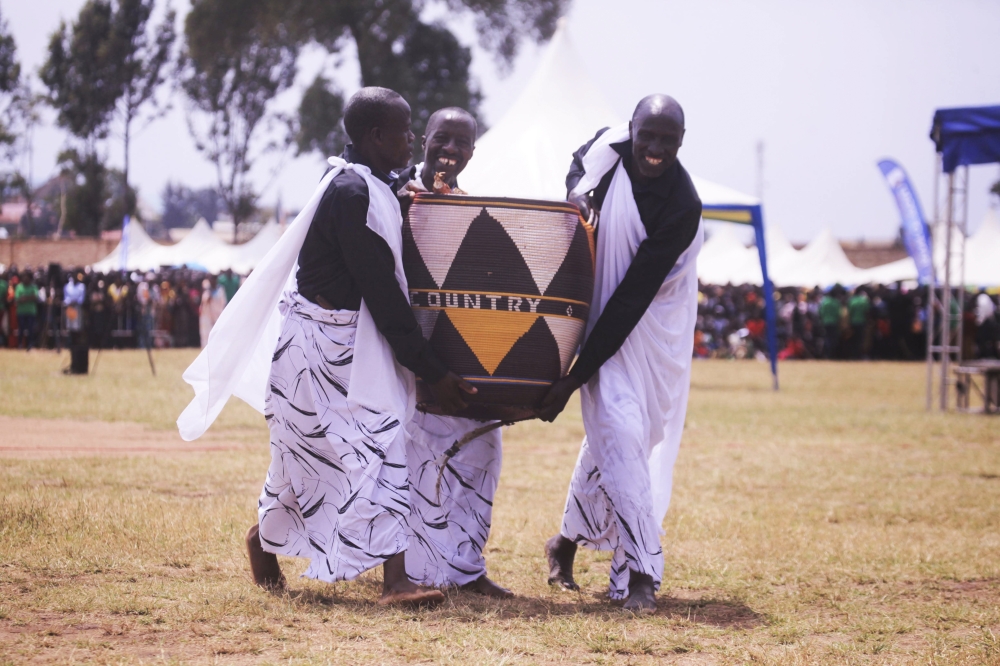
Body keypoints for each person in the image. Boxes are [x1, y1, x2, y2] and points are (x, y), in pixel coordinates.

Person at [241, 87, 475, 607]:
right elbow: (385, 296)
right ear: (375, 136)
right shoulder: (353, 194)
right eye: (404, 130)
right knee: (379, 442)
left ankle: (263, 542)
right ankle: (396, 583)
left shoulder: (365, 186)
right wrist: (431, 370)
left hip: (327, 343)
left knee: (313, 456)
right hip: (325, 347)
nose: (412, 138)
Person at [536, 95, 703, 613]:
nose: (653, 149)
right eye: (646, 136)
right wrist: (576, 198)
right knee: (624, 433)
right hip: (601, 315)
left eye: (667, 140)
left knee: (621, 435)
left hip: (654, 323)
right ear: (631, 129)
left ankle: (563, 543)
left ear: (681, 142)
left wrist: (572, 377)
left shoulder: (683, 205)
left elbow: (633, 296)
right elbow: (576, 171)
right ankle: (641, 574)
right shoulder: (607, 151)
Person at [394, 107, 512, 598]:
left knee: (483, 453)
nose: (450, 151)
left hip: (459, 358)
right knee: (417, 465)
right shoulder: (395, 195)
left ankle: (467, 571)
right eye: (443, 139)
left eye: (461, 143)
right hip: (407, 357)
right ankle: (420, 574)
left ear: (472, 152)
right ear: (424, 139)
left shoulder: (470, 206)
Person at [197, 276, 226, 348]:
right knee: (206, 334)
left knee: (218, 334)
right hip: (207, 316)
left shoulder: (220, 290)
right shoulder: (207, 291)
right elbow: (204, 303)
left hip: (218, 315)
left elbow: (223, 302)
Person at [15, 271, 40, 351]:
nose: (25, 279)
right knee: (21, 329)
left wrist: (25, 298)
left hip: (31, 312)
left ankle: (30, 345)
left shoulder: (34, 287)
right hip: (21, 312)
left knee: (31, 329)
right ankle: (20, 344)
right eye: (24, 277)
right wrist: (29, 297)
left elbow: (36, 297)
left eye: (27, 277)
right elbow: (17, 299)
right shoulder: (19, 287)